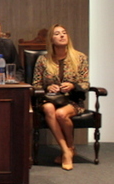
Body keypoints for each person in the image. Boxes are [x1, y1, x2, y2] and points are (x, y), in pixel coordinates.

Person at [32, 24, 88, 171]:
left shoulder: (80, 58)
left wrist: (72, 85)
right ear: (51, 39)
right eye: (57, 34)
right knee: (49, 108)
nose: (62, 36)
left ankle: (69, 148)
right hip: (50, 99)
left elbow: (85, 83)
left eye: (64, 33)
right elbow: (35, 84)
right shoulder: (43, 60)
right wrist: (48, 87)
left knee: (61, 114)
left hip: (72, 100)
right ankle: (67, 150)